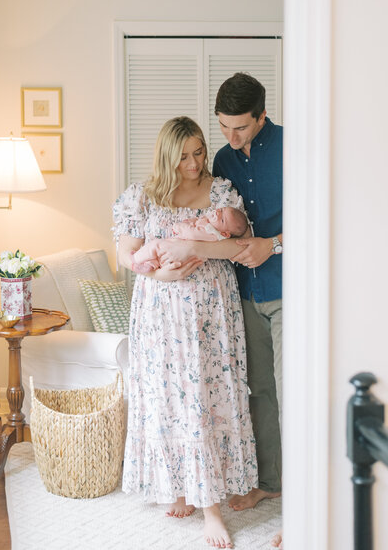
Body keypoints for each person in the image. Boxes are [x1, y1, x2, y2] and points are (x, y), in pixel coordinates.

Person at [112, 116, 258, 549]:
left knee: (206, 398)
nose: (194, 163)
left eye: (199, 152)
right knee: (167, 397)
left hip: (211, 312)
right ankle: (179, 488)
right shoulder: (142, 196)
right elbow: (126, 254)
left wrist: (195, 248)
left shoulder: (221, 193)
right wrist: (161, 278)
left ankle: (211, 506)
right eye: (184, 156)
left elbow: (240, 245)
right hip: (160, 313)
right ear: (166, 155)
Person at [153, 73, 283, 546]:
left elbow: (316, 216)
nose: (229, 138)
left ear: (262, 116)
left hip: (285, 286)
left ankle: (304, 503)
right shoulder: (224, 162)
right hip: (241, 293)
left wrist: (273, 243)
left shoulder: (292, 149)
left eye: (241, 128)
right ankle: (269, 483)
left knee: (289, 393)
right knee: (259, 391)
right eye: (223, 128)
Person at [131, 206, 248, 274]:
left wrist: (179, 227)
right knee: (159, 255)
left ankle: (135, 258)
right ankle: (151, 265)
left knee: (155, 245)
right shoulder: (209, 226)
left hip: (179, 252)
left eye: (222, 219)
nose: (217, 213)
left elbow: (191, 234)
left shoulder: (211, 232)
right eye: (221, 210)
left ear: (225, 234)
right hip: (178, 255)